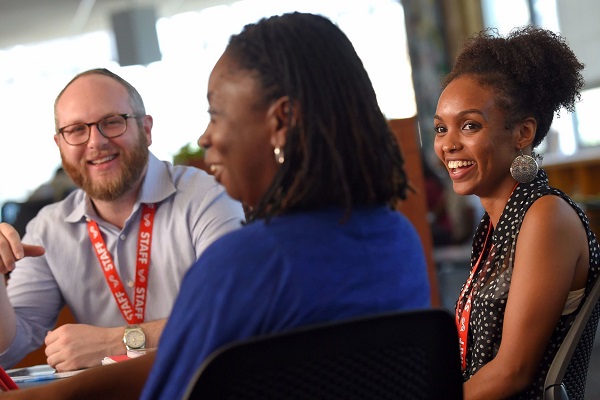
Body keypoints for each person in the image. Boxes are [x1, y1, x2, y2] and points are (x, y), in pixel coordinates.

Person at [0, 11, 431, 399]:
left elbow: (178, 386)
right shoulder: (399, 238)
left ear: (279, 122)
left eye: (216, 114)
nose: (205, 138)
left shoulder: (242, 264)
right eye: (76, 130)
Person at [0, 68, 245, 371]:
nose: (96, 142)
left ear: (146, 130)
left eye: (112, 122)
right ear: (60, 145)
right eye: (76, 130)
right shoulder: (48, 229)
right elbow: (8, 349)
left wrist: (118, 342)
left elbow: (235, 315)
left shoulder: (206, 199)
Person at [433, 26, 600, 399]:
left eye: (470, 125)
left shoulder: (545, 217)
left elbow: (513, 372)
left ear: (522, 132)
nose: (448, 144)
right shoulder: (498, 224)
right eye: (441, 128)